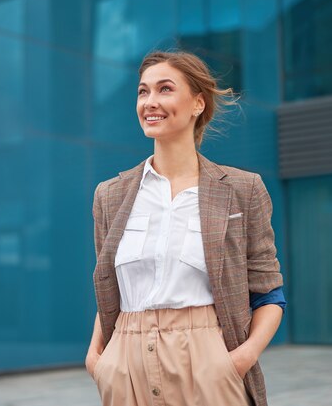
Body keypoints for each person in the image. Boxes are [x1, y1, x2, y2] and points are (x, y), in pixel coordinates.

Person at [85, 50, 286, 406]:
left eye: (164, 89)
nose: (150, 102)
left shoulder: (242, 189)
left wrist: (238, 360)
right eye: (143, 91)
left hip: (208, 363)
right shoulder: (110, 195)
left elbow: (269, 293)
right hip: (125, 366)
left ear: (197, 103)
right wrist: (98, 359)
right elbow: (109, 288)